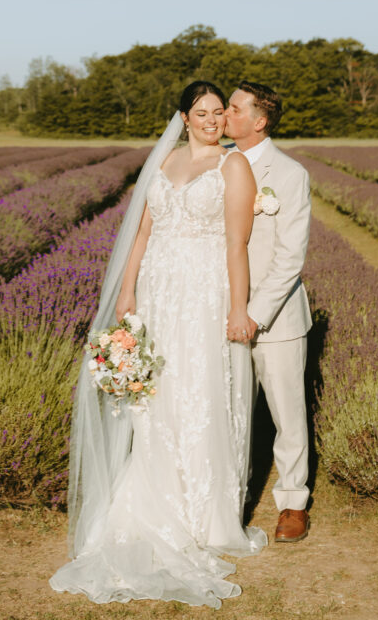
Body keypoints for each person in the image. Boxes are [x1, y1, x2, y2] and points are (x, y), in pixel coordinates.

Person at [49, 81, 266, 608]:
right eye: (202, 112)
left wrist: (238, 309)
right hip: (156, 294)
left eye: (219, 112)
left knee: (201, 393)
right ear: (184, 118)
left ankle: (204, 515)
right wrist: (127, 292)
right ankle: (154, 497)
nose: (213, 119)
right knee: (156, 397)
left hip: (203, 294)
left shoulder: (233, 167)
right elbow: (142, 233)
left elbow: (236, 243)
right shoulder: (165, 160)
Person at [224, 81, 312, 543]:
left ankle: (293, 502)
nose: (224, 115)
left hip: (275, 318)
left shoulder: (290, 173)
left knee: (286, 413)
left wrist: (253, 314)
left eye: (235, 109)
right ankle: (229, 497)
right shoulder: (215, 164)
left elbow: (290, 258)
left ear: (259, 121)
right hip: (222, 314)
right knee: (229, 413)